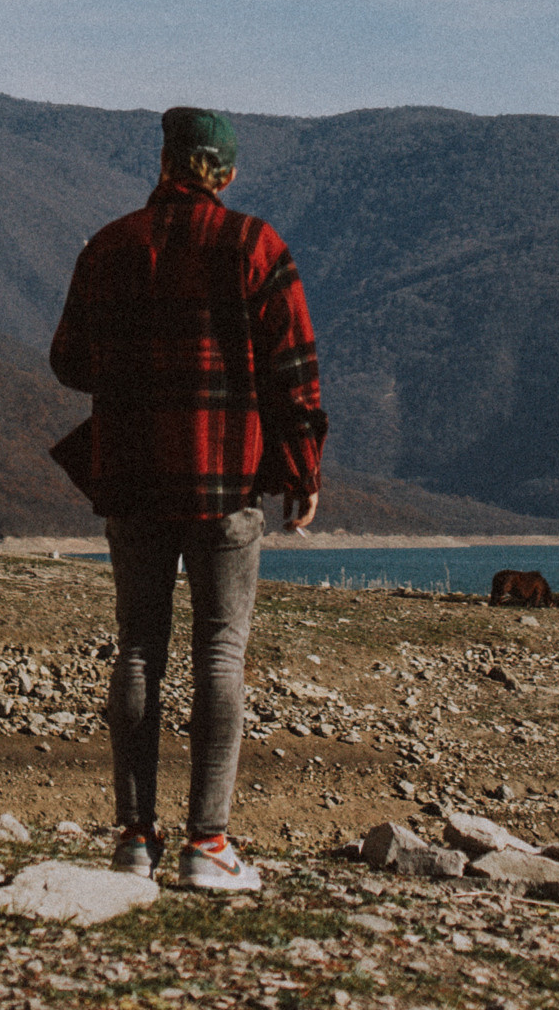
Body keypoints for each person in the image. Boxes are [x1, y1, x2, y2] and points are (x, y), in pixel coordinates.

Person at [49, 104, 326, 894]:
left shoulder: (110, 247)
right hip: (226, 477)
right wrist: (302, 472)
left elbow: (68, 360)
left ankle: (134, 840)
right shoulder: (255, 246)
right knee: (219, 650)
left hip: (132, 475)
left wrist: (139, 370)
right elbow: (293, 374)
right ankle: (209, 844)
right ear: (228, 173)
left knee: (138, 647)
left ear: (165, 163)